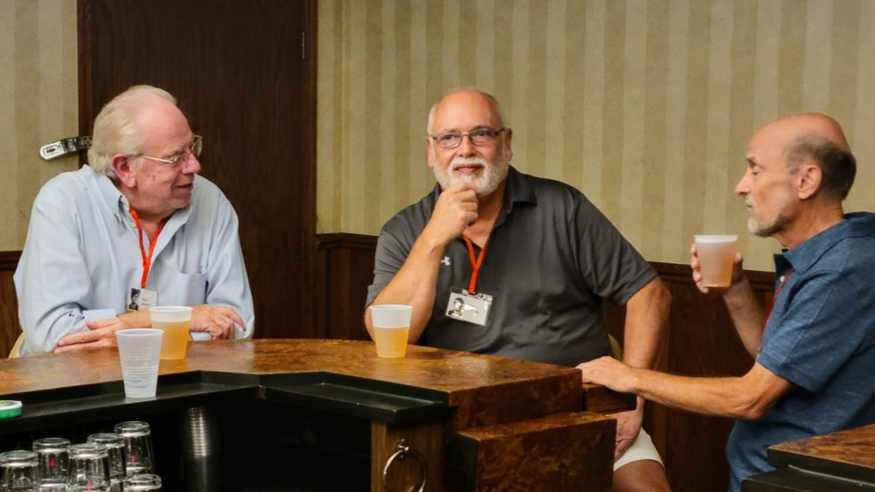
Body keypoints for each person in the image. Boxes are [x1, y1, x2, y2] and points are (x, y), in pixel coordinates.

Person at [365, 88, 672, 492]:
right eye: (449, 137)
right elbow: (387, 335)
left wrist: (633, 399)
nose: (465, 149)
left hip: (578, 411)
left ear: (506, 142)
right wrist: (432, 240)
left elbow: (650, 294)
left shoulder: (563, 208)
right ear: (431, 150)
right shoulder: (405, 230)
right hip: (462, 422)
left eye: (481, 134)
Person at [578, 113, 875, 491]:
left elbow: (751, 398)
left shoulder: (841, 269)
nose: (741, 186)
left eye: (755, 170)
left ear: (806, 180)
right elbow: (774, 357)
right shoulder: (826, 254)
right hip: (769, 475)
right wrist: (736, 289)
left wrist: (629, 376)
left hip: (796, 482)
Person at [14, 85, 254, 356]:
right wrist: (169, 321)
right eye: (176, 157)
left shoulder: (210, 201)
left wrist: (124, 334)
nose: (194, 166)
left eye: (192, 147)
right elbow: (51, 336)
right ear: (125, 167)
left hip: (180, 379)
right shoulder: (63, 202)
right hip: (79, 381)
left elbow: (237, 325)